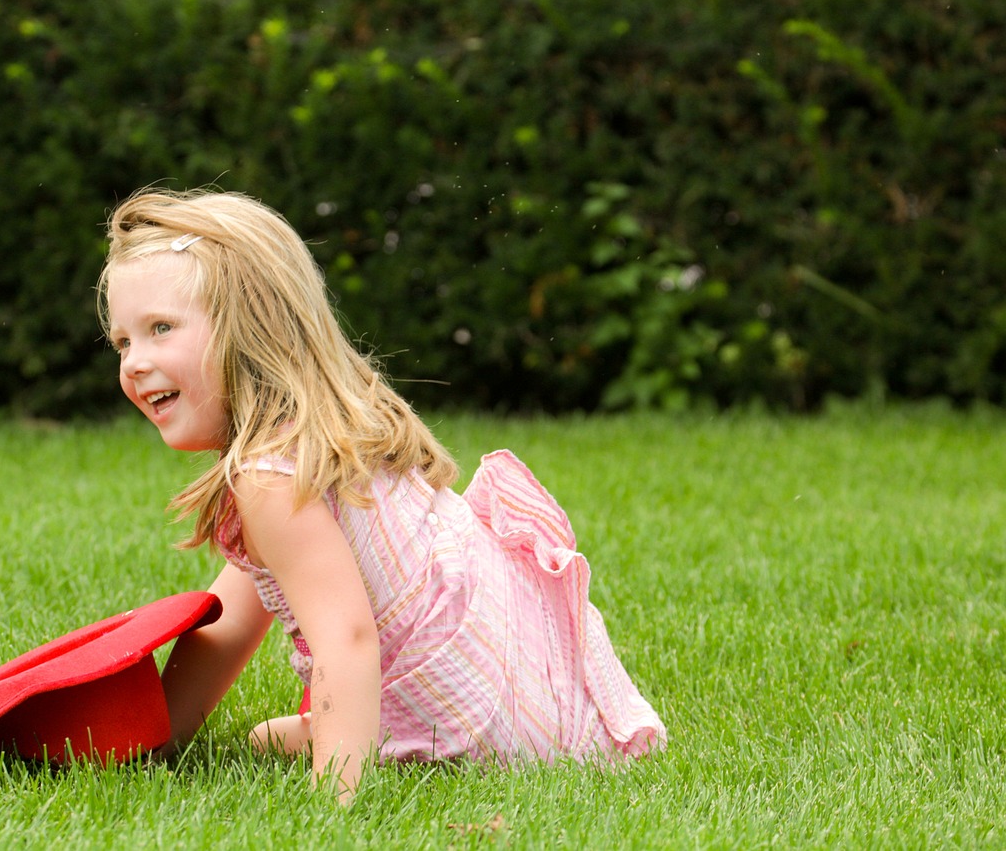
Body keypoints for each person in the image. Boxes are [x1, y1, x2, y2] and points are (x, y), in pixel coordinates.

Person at [97, 188, 665, 801]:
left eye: (161, 329)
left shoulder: (269, 476)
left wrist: (336, 804)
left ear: (249, 328)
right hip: (524, 693)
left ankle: (391, 753)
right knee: (263, 739)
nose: (134, 362)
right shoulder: (319, 435)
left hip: (473, 726)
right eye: (124, 341)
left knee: (285, 737)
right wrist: (155, 742)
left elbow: (348, 641)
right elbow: (232, 622)